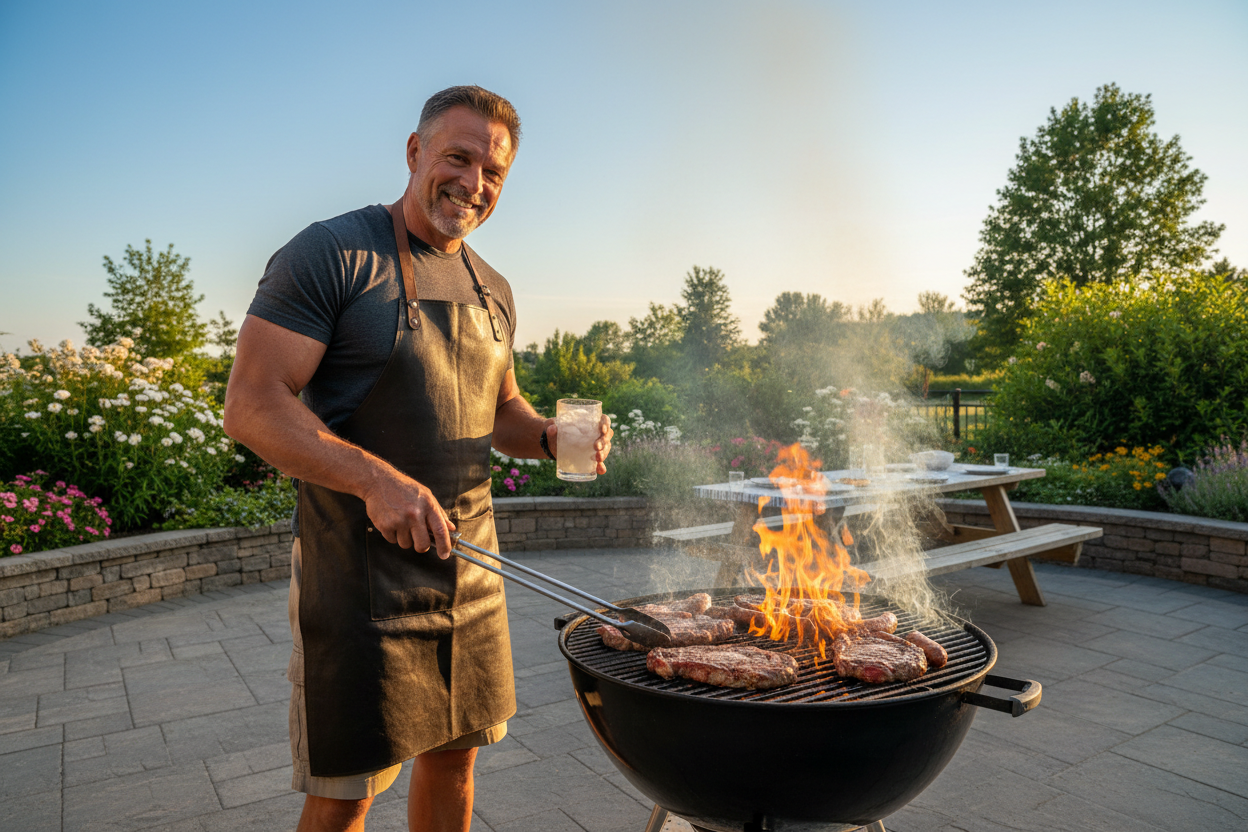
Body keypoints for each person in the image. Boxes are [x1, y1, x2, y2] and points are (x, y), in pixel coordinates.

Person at [223, 85, 612, 832]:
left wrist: (550, 437)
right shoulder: (332, 254)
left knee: (456, 761)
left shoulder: (492, 288)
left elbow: (501, 410)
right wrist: (374, 478)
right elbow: (252, 404)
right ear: (415, 152)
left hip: (471, 565)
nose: (473, 183)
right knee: (347, 793)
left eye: (492, 172)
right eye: (458, 158)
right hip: (357, 575)